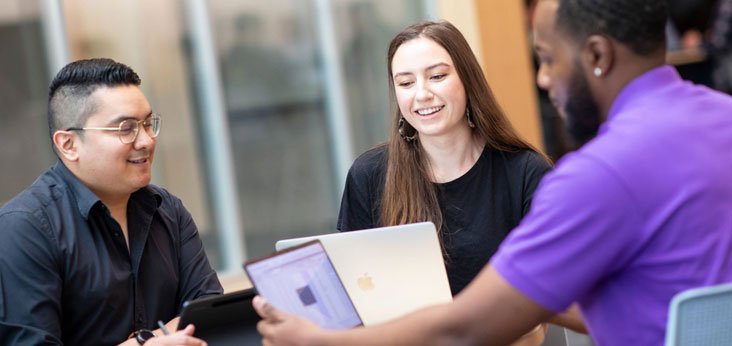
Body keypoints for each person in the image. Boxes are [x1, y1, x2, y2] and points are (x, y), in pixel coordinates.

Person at [252, 0, 732, 345]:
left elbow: (467, 330)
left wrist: (316, 340)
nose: (543, 79)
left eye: (546, 58)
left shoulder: (593, 176)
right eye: (405, 82)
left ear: (597, 57)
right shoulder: (723, 118)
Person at [0, 58, 222, 346]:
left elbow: (209, 313)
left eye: (147, 123)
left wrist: (147, 339)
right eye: (126, 128)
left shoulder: (167, 209)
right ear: (68, 144)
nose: (145, 141)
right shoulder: (24, 228)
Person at [337, 21, 551, 298]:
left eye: (437, 76)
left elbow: (551, 290)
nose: (422, 94)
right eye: (405, 83)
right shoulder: (369, 174)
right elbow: (354, 291)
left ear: (467, 79)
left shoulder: (524, 173)